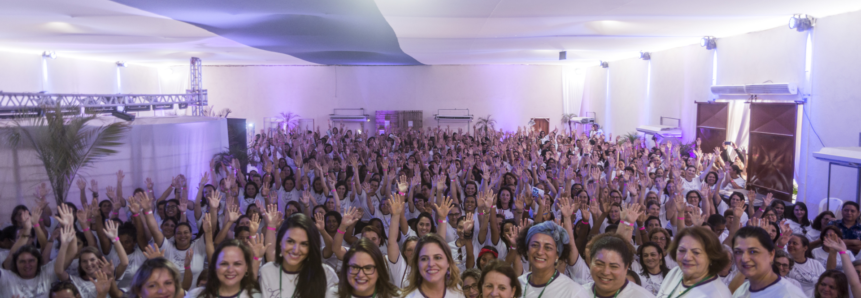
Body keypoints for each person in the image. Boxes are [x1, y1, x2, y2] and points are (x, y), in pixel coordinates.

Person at [260, 213, 338, 298]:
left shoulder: (326, 273)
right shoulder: (267, 271)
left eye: (304, 244)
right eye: (290, 241)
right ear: (280, 241)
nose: (296, 250)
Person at [728, 226, 805, 298]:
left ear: (771, 255)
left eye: (753, 251)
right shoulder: (742, 290)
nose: (744, 259)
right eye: (738, 252)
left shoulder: (789, 294)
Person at [515, 221, 587, 297]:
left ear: (557, 255)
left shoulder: (574, 292)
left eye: (548, 247)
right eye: (534, 245)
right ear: (527, 250)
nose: (540, 252)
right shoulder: (516, 284)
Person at [656, 226, 732, 298]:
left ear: (711, 257)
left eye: (696, 252)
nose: (687, 257)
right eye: (682, 250)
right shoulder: (675, 272)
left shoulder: (717, 295)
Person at [583, 234, 655, 298]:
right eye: (599, 264)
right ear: (590, 261)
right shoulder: (578, 293)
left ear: (626, 267)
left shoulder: (643, 296)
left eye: (613, 266)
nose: (605, 272)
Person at [185, 239, 263, 298]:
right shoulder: (194, 295)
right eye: (224, 264)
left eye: (237, 264)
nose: (230, 269)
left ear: (246, 267)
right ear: (215, 267)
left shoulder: (256, 296)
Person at [327, 238, 399, 298]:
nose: (360, 275)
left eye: (368, 268)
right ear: (346, 269)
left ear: (379, 271)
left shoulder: (395, 296)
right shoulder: (332, 294)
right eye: (355, 267)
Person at [400, 234, 464, 298]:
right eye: (424, 259)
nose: (431, 264)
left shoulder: (456, 291)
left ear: (448, 262)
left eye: (438, 258)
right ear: (417, 263)